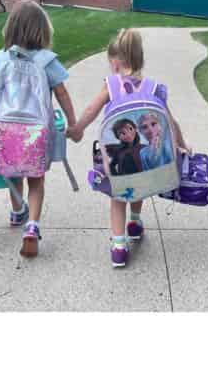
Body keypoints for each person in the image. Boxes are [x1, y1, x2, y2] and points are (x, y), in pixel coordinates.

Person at [67, 28, 189, 268]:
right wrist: (182, 145)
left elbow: (92, 109)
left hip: (121, 167)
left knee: (118, 196)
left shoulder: (111, 85)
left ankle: (119, 246)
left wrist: (78, 128)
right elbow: (171, 121)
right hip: (146, 167)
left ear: (114, 63)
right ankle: (135, 222)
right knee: (140, 185)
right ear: (140, 60)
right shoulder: (154, 88)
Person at [0, 0, 76, 257]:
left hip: (2, 128)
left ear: (10, 28)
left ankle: (16, 212)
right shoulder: (47, 61)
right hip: (34, 131)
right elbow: (62, 92)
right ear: (43, 31)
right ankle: (32, 226)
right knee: (36, 179)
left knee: (13, 172)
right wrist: (73, 122)